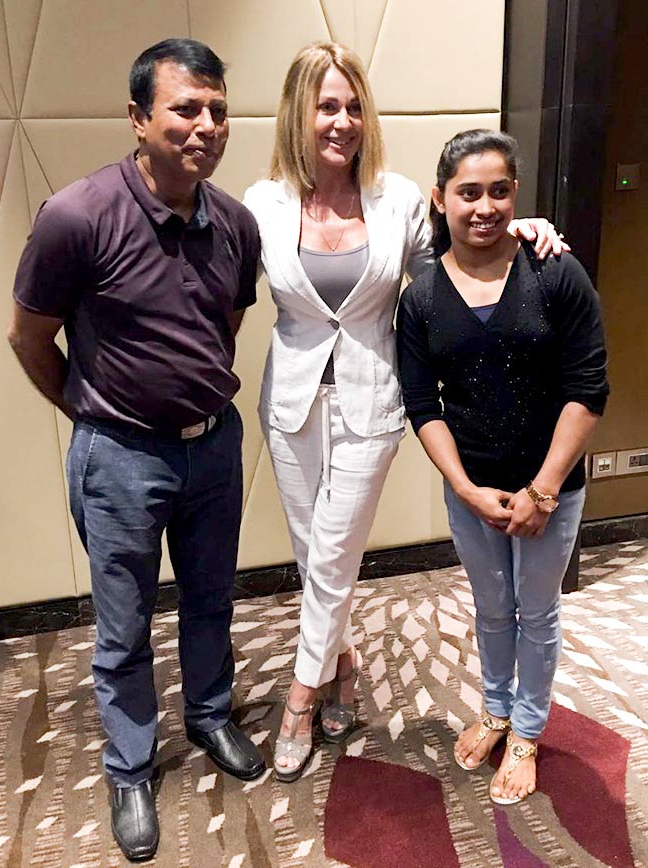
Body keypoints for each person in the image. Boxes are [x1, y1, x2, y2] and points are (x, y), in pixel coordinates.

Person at [243, 43, 568, 783]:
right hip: (291, 400)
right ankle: (344, 667)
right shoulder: (262, 205)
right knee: (314, 555)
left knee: (332, 553)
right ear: (300, 111)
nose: (343, 120)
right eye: (328, 105)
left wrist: (525, 230)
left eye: (354, 105)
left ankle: (299, 698)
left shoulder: (396, 200)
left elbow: (464, 249)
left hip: (372, 399)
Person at [7, 38, 266, 861]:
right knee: (122, 628)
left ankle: (211, 715)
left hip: (212, 450)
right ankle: (128, 766)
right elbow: (29, 337)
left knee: (211, 599)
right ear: (138, 119)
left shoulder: (235, 224)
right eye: (186, 108)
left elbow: (222, 331)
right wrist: (94, 413)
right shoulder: (77, 216)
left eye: (217, 109)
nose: (206, 126)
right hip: (117, 456)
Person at [397, 129, 608, 804]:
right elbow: (420, 402)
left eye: (497, 190)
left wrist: (542, 493)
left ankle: (527, 732)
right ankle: (495, 710)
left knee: (537, 611)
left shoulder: (554, 271)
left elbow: (589, 387)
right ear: (440, 200)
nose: (483, 206)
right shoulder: (422, 296)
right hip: (473, 489)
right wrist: (464, 490)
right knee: (492, 609)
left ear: (515, 194)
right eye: (467, 192)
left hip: (552, 487)